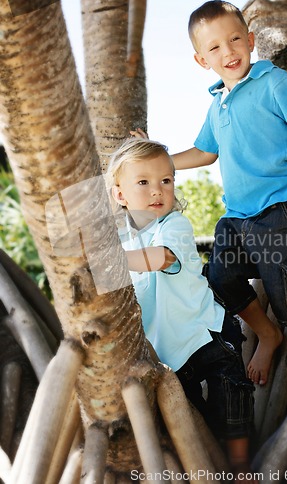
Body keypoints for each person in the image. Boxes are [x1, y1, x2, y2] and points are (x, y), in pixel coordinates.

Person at [131, 0, 287, 424]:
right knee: (221, 277)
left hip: (281, 207)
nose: (229, 51)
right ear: (201, 59)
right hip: (238, 217)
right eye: (216, 47)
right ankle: (266, 332)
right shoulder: (216, 105)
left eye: (236, 39)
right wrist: (158, 155)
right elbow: (205, 153)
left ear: (251, 40)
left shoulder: (272, 81)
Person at [107, 137, 258, 483]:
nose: (157, 190)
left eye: (166, 181)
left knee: (230, 394)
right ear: (120, 196)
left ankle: (240, 465)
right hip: (168, 354)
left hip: (206, 334)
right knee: (191, 415)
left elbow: (163, 258)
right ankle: (207, 464)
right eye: (143, 182)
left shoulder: (173, 225)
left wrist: (107, 261)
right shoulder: (123, 241)